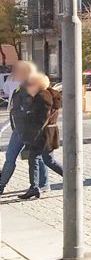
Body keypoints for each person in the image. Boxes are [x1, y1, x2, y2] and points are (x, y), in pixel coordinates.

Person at [0, 61, 47, 195]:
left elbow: (29, 108)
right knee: (37, 157)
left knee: (13, 156)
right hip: (20, 128)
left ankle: (1, 185)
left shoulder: (31, 87)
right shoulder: (20, 87)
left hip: (25, 129)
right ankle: (42, 184)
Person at [18, 73, 63, 200]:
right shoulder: (50, 95)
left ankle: (34, 187)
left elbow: (42, 119)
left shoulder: (43, 97)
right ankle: (34, 187)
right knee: (44, 159)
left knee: (38, 159)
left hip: (42, 134)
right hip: (48, 133)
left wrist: (32, 134)